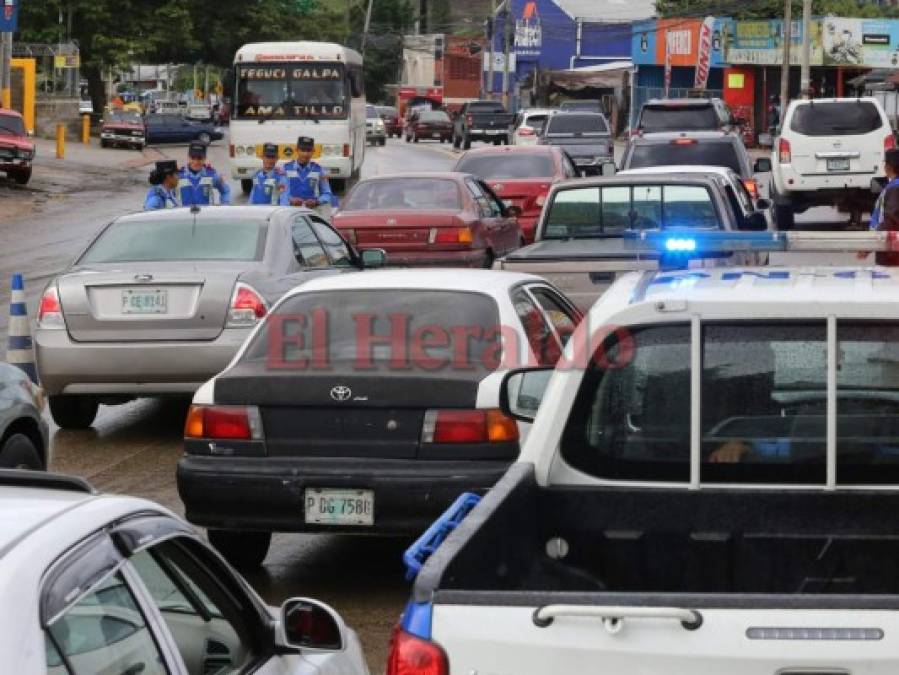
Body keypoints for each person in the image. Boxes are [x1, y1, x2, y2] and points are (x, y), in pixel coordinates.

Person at [861, 148, 899, 265]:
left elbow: (890, 220)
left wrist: (869, 246)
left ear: (889, 166)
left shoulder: (894, 188)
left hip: (890, 249)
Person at [283, 136, 336, 218]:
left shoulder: (319, 170)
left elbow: (327, 194)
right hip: (290, 214)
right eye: (303, 150)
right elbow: (282, 193)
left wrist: (317, 202)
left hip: (311, 213)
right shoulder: (286, 168)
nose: (305, 154)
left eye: (308, 151)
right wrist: (290, 200)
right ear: (297, 150)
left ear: (313, 151)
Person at [177, 141, 231, 207]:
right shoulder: (178, 176)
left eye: (199, 158)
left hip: (206, 216)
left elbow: (225, 191)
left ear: (205, 158)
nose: (196, 162)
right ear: (188, 157)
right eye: (193, 158)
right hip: (183, 216)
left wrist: (224, 205)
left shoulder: (211, 175)